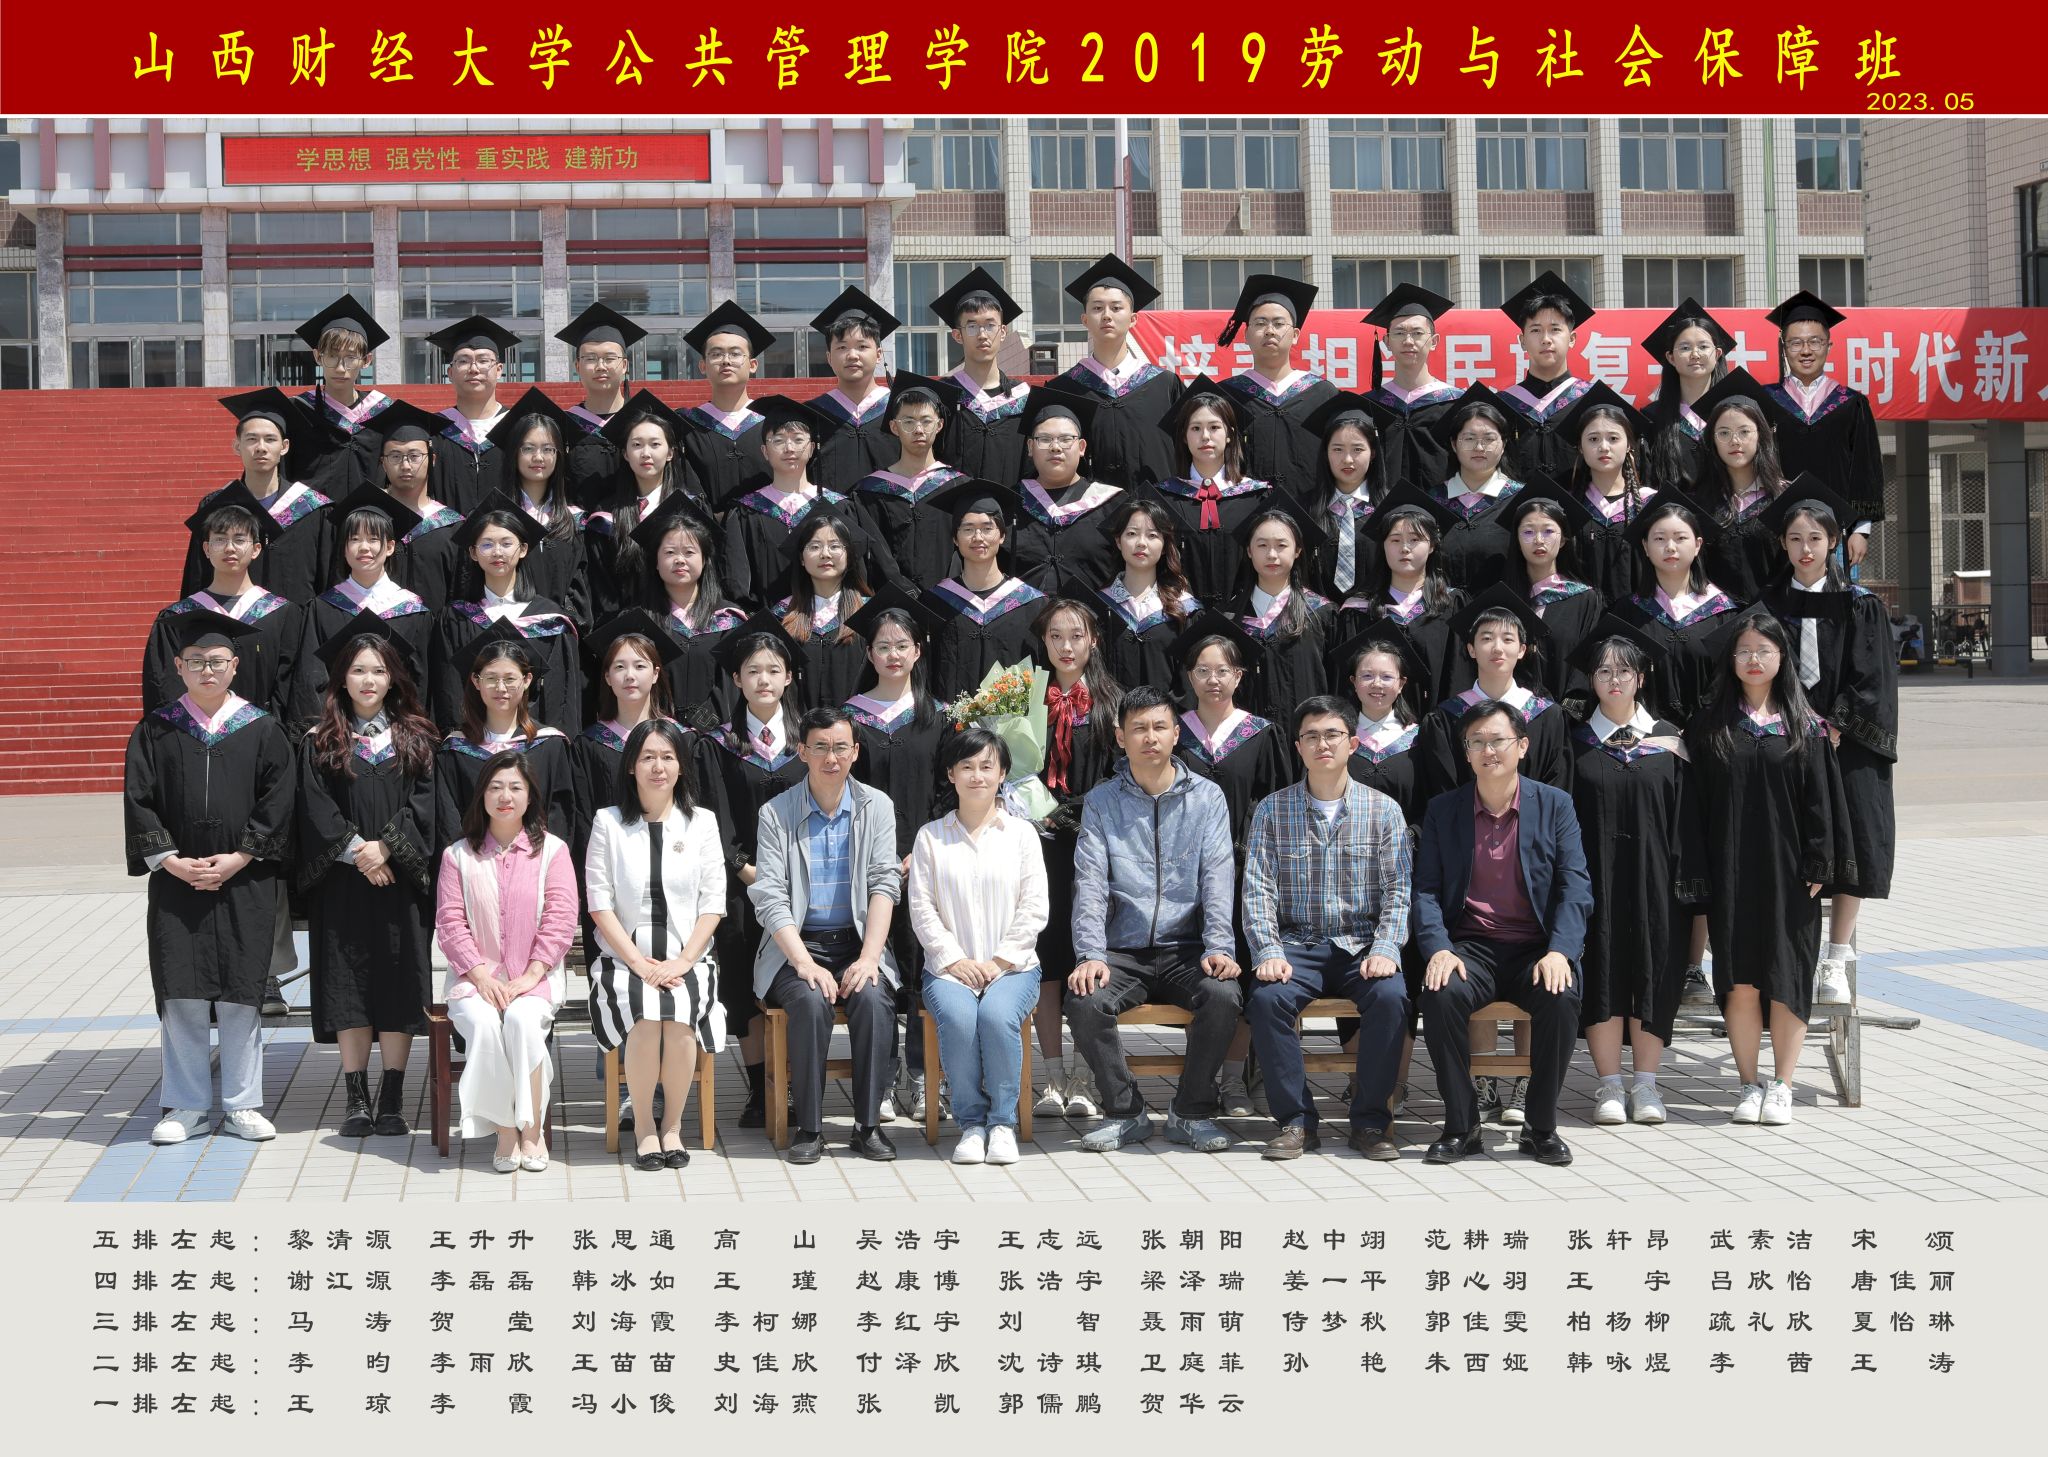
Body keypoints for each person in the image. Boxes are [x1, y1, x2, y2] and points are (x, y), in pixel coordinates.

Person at [127, 613, 296, 1147]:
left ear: (234, 666)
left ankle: (243, 1104)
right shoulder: (156, 729)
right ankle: (187, 1105)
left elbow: (278, 800)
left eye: (217, 661)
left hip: (244, 880)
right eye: (196, 661)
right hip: (176, 881)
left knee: (242, 993)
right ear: (178, 666)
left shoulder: (262, 728)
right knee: (181, 990)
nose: (207, 670)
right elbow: (139, 800)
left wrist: (241, 856)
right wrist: (170, 861)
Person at [1684, 609, 1854, 1125]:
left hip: (1790, 874)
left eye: (1764, 650)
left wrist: (1821, 859)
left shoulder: (1806, 726)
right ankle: (1747, 1083)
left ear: (1783, 657)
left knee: (1787, 977)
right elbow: (1695, 806)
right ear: (1730, 660)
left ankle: (1782, 1084)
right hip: (1730, 870)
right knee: (1739, 981)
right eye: (1744, 651)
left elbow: (1823, 802)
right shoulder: (1708, 726)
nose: (1753, 660)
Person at [1413, 698, 1593, 1166]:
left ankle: (1540, 1127)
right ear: (1466, 752)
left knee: (1561, 997)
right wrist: (1438, 948)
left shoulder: (1555, 805)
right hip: (1471, 948)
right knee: (1440, 995)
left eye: (1498, 740)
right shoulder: (1444, 810)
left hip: (1536, 947)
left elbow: (1575, 885)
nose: (1488, 750)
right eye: (1477, 742)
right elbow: (1426, 890)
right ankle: (1462, 1125)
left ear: (1522, 746)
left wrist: (1561, 951)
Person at [1065, 686, 1241, 1153]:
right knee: (1084, 1000)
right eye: (1138, 728)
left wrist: (1219, 947)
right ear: (1120, 737)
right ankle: (1126, 1112)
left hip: (1187, 949)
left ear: (1176, 733)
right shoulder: (1103, 800)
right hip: (1123, 951)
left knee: (1223, 995)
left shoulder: (1207, 797)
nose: (1150, 737)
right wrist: (1090, 955)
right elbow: (1090, 882)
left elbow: (1218, 877)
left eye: (1160, 726)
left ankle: (1191, 1112)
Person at [1242, 695, 1413, 1159]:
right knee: (1267, 1000)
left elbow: (1398, 890)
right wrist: (1268, 951)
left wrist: (1387, 948)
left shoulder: (1383, 811)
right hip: (1297, 945)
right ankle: (1296, 1121)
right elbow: (1258, 890)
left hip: (1361, 947)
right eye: (1312, 736)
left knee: (1391, 998)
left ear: (1353, 743)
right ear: (1298, 747)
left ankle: (1371, 1122)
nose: (1323, 744)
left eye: (1333, 734)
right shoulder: (1272, 811)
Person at [295, 615, 439, 1138]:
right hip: (344, 885)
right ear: (341, 678)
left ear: (394, 677)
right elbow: (314, 808)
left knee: (399, 982)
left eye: (379, 670)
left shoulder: (418, 738)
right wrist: (360, 852)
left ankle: (393, 1095)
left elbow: (427, 805)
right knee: (348, 983)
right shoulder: (320, 740)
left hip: (400, 884)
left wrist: (386, 849)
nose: (369, 680)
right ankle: (356, 1097)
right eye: (358, 670)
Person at [1758, 481, 1898, 1006]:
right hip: (1786, 738)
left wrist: (1835, 725)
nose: (1805, 549)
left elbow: (1873, 678)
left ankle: (1837, 957)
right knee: (1789, 845)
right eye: (1795, 539)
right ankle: (1786, 956)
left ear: (1835, 541)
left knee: (1852, 836)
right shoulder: (1768, 606)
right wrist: (1791, 722)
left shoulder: (1862, 605)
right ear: (1783, 544)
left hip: (1846, 744)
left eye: (1815, 538)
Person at [1565, 620, 1708, 1125]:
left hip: (1657, 882)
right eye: (1604, 671)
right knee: (1603, 972)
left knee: (1653, 973)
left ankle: (1646, 1085)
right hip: (1595, 882)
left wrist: (1688, 884)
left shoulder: (1669, 743)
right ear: (1591, 679)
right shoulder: (1575, 743)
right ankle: (1608, 1084)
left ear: (1641, 678)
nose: (1614, 680)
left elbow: (1687, 820)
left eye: (1624, 671)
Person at [749, 706, 905, 1163]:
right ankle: (809, 1127)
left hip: (858, 942)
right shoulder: (776, 812)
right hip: (796, 947)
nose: (830, 757)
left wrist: (870, 957)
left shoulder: (877, 806)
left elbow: (884, 883)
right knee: (810, 1000)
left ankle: (867, 1125)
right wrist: (803, 962)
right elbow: (771, 897)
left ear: (855, 752)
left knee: (873, 999)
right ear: (801, 751)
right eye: (820, 747)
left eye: (840, 747)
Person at [1169, 611, 1294, 1119]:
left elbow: (1277, 804)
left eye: (1223, 670)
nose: (1213, 680)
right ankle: (1198, 1075)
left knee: (1239, 971)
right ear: (1190, 676)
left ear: (1239, 676)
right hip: (1182, 873)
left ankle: (1235, 1078)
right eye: (1203, 670)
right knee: (1196, 971)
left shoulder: (1261, 734)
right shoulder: (1174, 732)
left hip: (1246, 872)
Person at [585, 719, 726, 1171]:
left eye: (668, 757)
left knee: (680, 1018)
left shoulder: (702, 822)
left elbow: (714, 903)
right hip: (623, 958)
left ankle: (673, 1126)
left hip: (689, 956)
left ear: (681, 766)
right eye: (648, 757)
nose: (658, 767)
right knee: (646, 1016)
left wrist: (683, 961)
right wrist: (639, 964)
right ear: (631, 765)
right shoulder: (608, 822)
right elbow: (599, 902)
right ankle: (644, 1126)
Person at [908, 727, 1050, 1165]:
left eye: (987, 766)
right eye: (966, 766)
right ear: (951, 774)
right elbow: (922, 908)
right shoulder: (931, 837)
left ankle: (1002, 1123)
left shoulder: (1022, 834)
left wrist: (999, 961)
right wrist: (955, 960)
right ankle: (971, 1123)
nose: (977, 776)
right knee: (958, 1017)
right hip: (949, 969)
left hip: (1013, 967)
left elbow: (1035, 906)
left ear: (1002, 772)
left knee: (995, 1015)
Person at [435, 750, 577, 1172]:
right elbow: (450, 922)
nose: (505, 796)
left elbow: (561, 917)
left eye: (515, 787)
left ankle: (531, 1130)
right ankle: (505, 1131)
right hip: (473, 980)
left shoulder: (552, 851)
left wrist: (531, 975)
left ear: (530, 797)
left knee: (520, 1021)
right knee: (482, 1023)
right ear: (481, 795)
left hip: (535, 979)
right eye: (495, 787)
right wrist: (481, 976)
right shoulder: (458, 855)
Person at [693, 617, 808, 1127]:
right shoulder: (718, 744)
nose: (764, 679)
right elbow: (713, 818)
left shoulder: (809, 741)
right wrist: (748, 871)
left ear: (788, 677)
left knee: (794, 977)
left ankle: (795, 1085)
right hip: (741, 888)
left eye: (773, 670)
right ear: (737, 679)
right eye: (753, 671)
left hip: (804, 887)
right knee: (743, 984)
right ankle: (762, 1090)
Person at [845, 586, 951, 1120]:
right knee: (881, 972)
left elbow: (949, 791)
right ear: (869, 653)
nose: (892, 654)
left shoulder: (941, 717)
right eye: (883, 645)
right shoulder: (849, 720)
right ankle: (883, 1081)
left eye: (902, 645)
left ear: (917, 651)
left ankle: (926, 1077)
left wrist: (920, 851)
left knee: (925, 969)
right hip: (866, 865)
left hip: (927, 863)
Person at [1028, 598, 1122, 1119]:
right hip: (1039, 847)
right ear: (1043, 642)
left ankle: (1086, 1075)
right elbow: (1011, 767)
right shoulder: (1024, 698)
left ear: (1094, 641)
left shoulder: (1111, 703)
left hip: (1094, 843)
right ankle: (1052, 1076)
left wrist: (1077, 810)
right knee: (1046, 957)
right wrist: (1035, 810)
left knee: (1087, 954)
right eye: (1056, 637)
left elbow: (1122, 775)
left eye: (1077, 636)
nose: (1066, 647)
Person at [429, 494, 583, 733]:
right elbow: (448, 689)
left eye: (506, 543)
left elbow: (560, 696)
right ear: (473, 553)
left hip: (533, 740)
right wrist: (463, 739)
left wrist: (544, 743)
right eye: (487, 544)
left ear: (523, 549)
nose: (497, 552)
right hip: (475, 740)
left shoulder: (550, 620)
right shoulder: (456, 618)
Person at [144, 489, 299, 719]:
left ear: (256, 549)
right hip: (193, 733)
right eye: (220, 539)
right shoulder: (176, 618)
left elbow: (291, 685)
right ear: (206, 549)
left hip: (264, 734)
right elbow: (164, 689)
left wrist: (268, 732)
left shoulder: (282, 614)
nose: (230, 548)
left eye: (239, 540)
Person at [721, 394, 886, 611]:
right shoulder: (746, 511)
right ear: (765, 451)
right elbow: (736, 584)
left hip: (831, 622)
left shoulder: (839, 507)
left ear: (812, 448)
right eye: (778, 440)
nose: (789, 448)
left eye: (798, 440)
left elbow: (856, 575)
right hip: (767, 625)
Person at [180, 389, 340, 607]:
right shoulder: (216, 507)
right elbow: (197, 576)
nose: (261, 448)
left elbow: (328, 581)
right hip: (229, 623)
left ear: (284, 447)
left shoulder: (312, 509)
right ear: (237, 446)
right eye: (252, 439)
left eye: (270, 439)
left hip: (296, 624)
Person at [288, 487, 432, 727]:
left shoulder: (412, 611)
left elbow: (421, 680)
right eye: (354, 539)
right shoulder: (323, 608)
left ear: (390, 547)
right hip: (337, 731)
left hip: (398, 732)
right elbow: (310, 677)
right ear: (344, 548)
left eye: (373, 539)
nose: (364, 547)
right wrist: (325, 730)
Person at [1762, 291, 1885, 557]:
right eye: (1796, 343)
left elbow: (1865, 468)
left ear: (1829, 346)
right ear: (1784, 348)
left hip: (1835, 531)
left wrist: (1861, 531)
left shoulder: (1851, 403)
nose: (1806, 351)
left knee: (1832, 585)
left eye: (1815, 342)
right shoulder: (1765, 400)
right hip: (1776, 531)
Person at [431, 628, 577, 851]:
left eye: (510, 679)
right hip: (472, 861)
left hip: (535, 861)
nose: (500, 688)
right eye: (491, 678)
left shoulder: (550, 745)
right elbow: (447, 820)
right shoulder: (455, 749)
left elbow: (561, 816)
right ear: (476, 681)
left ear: (527, 680)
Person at [1420, 584, 1573, 793]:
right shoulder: (1446, 718)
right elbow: (1444, 792)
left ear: (1521, 650)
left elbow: (1556, 787)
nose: (1497, 648)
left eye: (1508, 639)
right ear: (1471, 649)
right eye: (1487, 638)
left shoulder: (1548, 717)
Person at [1614, 489, 1741, 726]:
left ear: (1697, 545)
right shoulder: (1627, 613)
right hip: (1643, 734)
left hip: (1711, 731)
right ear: (1645, 547)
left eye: (1680, 538)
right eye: (1659, 539)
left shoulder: (1724, 613)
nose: (1670, 547)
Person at [1052, 255, 1180, 488]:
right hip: (1087, 506)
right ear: (1084, 319)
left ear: (1133, 319)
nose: (1106, 315)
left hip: (1155, 506)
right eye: (1097, 308)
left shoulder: (1164, 385)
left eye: (1116, 307)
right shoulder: (1063, 389)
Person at [1337, 484, 1464, 714]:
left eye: (1415, 539)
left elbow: (1459, 676)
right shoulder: (1358, 610)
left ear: (1432, 545)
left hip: (1438, 725)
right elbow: (1345, 683)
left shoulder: (1451, 605)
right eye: (1395, 540)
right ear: (1383, 546)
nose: (1404, 548)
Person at [919, 481, 1049, 703]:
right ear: (955, 538)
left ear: (1002, 536)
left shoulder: (1033, 605)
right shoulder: (934, 603)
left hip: (1013, 722)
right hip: (950, 722)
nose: (978, 537)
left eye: (987, 528)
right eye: (968, 529)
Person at [585, 392, 702, 625]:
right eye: (637, 445)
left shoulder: (690, 508)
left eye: (655, 444)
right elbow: (601, 586)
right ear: (625, 454)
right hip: (625, 628)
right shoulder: (606, 516)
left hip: (684, 625)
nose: (646, 453)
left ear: (670, 453)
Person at [1215, 275, 1338, 494]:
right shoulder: (1225, 395)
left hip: (1309, 509)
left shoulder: (1323, 394)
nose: (1270, 331)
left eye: (1279, 324)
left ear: (1295, 335)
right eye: (1260, 323)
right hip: (1245, 508)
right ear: (1246, 335)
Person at [1155, 378, 1273, 602]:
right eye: (1196, 428)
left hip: (1244, 612)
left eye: (1214, 427)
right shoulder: (1164, 498)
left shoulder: (1256, 496)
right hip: (1180, 613)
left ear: (1229, 434)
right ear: (1184, 436)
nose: (1205, 436)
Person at [851, 371, 968, 592]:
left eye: (926, 421)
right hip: (890, 602)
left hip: (948, 599)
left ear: (939, 425)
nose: (918, 430)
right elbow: (873, 556)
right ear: (894, 427)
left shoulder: (957, 486)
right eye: (908, 422)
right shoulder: (869, 492)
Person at [1690, 370, 1800, 605]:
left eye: (1744, 432)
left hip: (1776, 617)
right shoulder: (1698, 503)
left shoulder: (1786, 497)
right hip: (1718, 618)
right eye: (1724, 433)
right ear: (1712, 440)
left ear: (1761, 436)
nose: (1735, 441)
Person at [485, 387, 591, 629]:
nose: (538, 457)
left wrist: (561, 626)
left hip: (557, 634)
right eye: (528, 448)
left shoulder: (573, 521)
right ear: (514, 453)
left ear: (559, 455)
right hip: (505, 634)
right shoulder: (495, 519)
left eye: (547, 449)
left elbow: (580, 590)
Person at [1224, 497, 1337, 720]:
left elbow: (1335, 681)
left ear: (1298, 550)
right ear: (1249, 551)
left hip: (1307, 733)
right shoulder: (1229, 618)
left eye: (1281, 545)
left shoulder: (1321, 613)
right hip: (1249, 734)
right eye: (1262, 545)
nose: (1271, 555)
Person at [1008, 386, 1124, 596]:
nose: (1055, 447)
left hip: (1092, 615)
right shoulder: (1010, 503)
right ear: (1030, 447)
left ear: (1081, 447)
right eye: (1045, 439)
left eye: (1065, 439)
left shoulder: (1114, 504)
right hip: (1026, 615)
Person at [1553, 383, 1659, 604]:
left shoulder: (1651, 503)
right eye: (1593, 439)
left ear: (1629, 445)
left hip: (1639, 616)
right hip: (1583, 615)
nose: (1604, 447)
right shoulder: (1567, 506)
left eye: (1613, 438)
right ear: (1580, 447)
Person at [1499, 486, 1603, 708]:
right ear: (1516, 540)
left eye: (1548, 531)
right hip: (1507, 713)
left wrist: (1565, 714)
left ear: (1563, 539)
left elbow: (1586, 664)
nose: (1538, 540)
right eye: (1528, 532)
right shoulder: (1504, 599)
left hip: (1565, 715)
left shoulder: (1584, 599)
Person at [641, 509, 749, 722]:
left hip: (716, 734)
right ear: (656, 562)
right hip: (656, 732)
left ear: (705, 559)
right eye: (670, 552)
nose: (680, 560)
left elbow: (731, 685)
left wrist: (700, 728)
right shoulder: (641, 622)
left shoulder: (729, 620)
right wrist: (663, 728)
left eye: (689, 552)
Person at [364, 399, 469, 615]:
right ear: (383, 463)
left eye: (414, 456)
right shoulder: (366, 520)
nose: (405, 465)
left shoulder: (452, 527)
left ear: (432, 459)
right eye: (395, 456)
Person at [931, 268, 1032, 488]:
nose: (982, 335)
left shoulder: (1024, 398)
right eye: (972, 326)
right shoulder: (941, 397)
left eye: (990, 325)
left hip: (1010, 508)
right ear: (957, 335)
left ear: (1003, 332)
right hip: (953, 506)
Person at [1492, 271, 1597, 481]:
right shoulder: (1502, 405)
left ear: (1572, 339)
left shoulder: (1591, 400)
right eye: (1536, 330)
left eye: (1555, 329)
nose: (1546, 339)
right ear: (1522, 341)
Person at [289, 292, 395, 498]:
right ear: (317, 356)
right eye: (332, 356)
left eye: (350, 358)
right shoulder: (298, 411)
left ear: (366, 360)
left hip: (368, 515)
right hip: (313, 515)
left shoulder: (383, 412)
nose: (340, 368)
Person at [1094, 490, 1201, 694]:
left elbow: (1189, 684)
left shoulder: (1184, 609)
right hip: (1111, 713)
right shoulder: (1099, 606)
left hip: (1167, 714)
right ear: (1118, 541)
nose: (1141, 543)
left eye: (1152, 535)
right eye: (1132, 534)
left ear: (1164, 545)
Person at [674, 301, 777, 509]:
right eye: (716, 354)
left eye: (735, 353)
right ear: (702, 366)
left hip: (767, 527)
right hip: (706, 527)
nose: (726, 361)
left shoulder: (773, 423)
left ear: (753, 365)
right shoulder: (685, 425)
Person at [1427, 384, 1529, 593]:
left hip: (1503, 609)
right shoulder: (1432, 500)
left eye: (1489, 439)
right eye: (1469, 438)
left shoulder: (1522, 500)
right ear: (1454, 444)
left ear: (1503, 444)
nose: (1479, 448)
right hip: (1441, 609)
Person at [1361, 282, 1462, 491]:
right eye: (1399, 333)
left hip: (1441, 506)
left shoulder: (1456, 403)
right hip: (1382, 507)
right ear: (1387, 342)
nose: (1408, 341)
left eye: (1417, 333)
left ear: (1434, 341)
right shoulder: (1369, 405)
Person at [774, 510, 876, 709]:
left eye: (835, 546)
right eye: (814, 546)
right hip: (798, 723)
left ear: (849, 555)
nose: (825, 554)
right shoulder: (782, 615)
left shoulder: (870, 613)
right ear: (802, 558)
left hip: (855, 722)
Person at [423, 315, 520, 513]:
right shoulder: (433, 429)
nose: (474, 369)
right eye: (463, 361)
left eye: (483, 361)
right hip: (447, 532)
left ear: (499, 370)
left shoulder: (518, 427)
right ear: (450, 373)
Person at [809, 287, 903, 491]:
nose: (852, 355)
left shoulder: (900, 410)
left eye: (862, 346)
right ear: (829, 358)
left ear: (879, 354)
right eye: (842, 347)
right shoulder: (812, 415)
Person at [555, 301, 647, 509]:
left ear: (624, 365)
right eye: (590, 358)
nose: (600, 366)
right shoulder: (564, 426)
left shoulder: (645, 423)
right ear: (577, 366)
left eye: (609, 358)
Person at [1301, 391, 1392, 599]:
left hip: (1377, 613)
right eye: (1338, 449)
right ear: (1326, 453)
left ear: (1373, 453)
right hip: (1318, 615)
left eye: (1357, 449)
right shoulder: (1305, 509)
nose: (1347, 459)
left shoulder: (1390, 509)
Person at [1639, 298, 1733, 489]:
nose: (1695, 354)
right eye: (1685, 348)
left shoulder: (1734, 413)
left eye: (1703, 346)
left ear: (1717, 354)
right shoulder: (1652, 418)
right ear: (1671, 358)